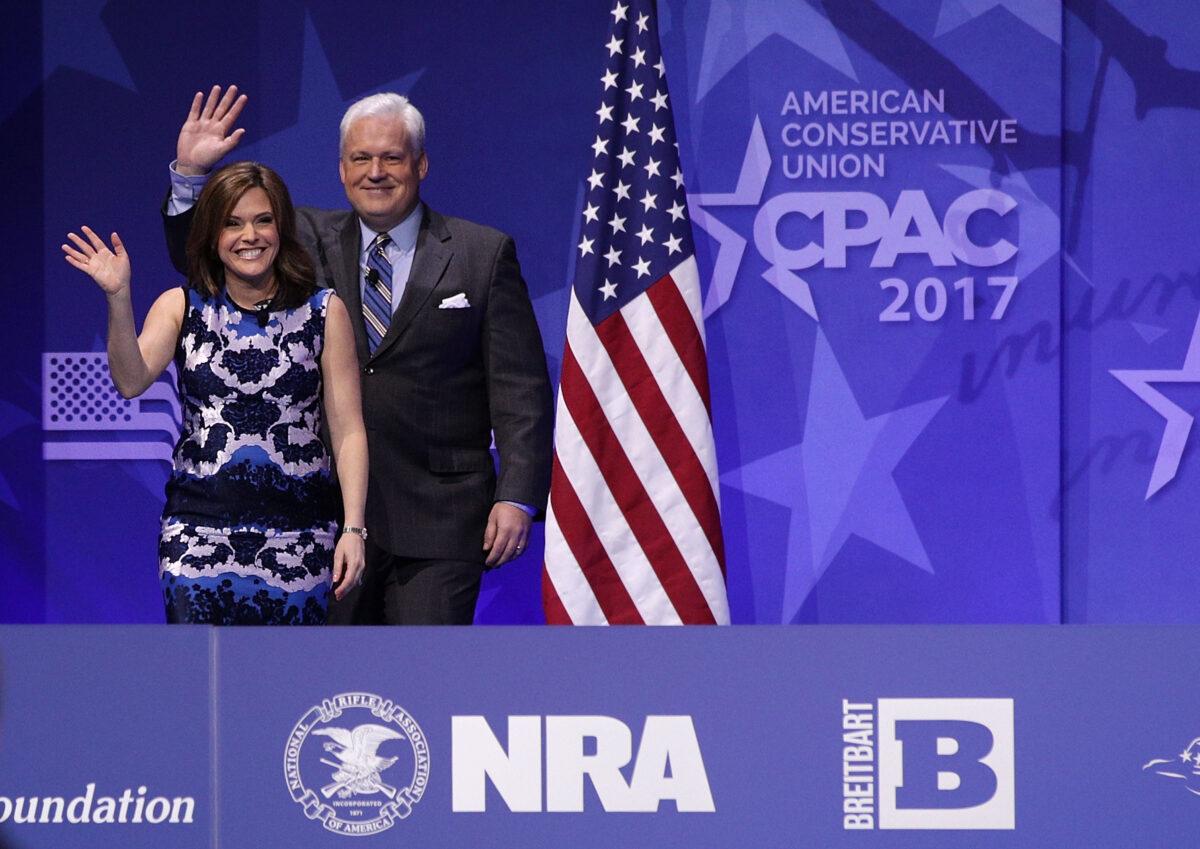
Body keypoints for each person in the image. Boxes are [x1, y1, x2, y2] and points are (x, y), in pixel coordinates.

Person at [162, 86, 554, 625]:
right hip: (322, 522)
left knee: (420, 691)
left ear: (421, 164)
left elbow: (520, 389)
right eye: (361, 158)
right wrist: (189, 175)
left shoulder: (480, 254)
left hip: (439, 520)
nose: (376, 172)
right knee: (330, 698)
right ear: (342, 170)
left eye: (392, 157)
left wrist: (517, 496)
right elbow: (209, 253)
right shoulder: (301, 239)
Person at [64, 161, 368, 625]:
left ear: (282, 228)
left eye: (263, 220)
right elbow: (130, 380)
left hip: (300, 539)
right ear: (211, 234)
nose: (250, 235)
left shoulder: (324, 312)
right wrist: (118, 297)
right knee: (203, 689)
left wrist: (353, 528)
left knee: (286, 688)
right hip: (197, 540)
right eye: (233, 223)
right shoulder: (180, 305)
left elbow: (347, 432)